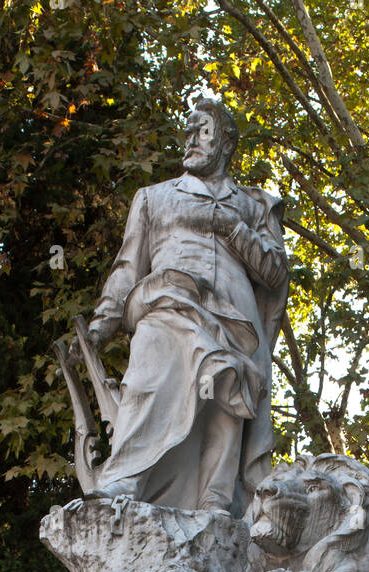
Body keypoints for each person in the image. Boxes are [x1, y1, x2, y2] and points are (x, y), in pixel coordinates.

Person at [80, 97, 289, 516]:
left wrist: (233, 227)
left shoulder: (253, 205)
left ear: (227, 143)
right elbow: (127, 266)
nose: (191, 138)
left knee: (227, 392)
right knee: (152, 370)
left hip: (237, 315)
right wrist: (103, 322)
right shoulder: (153, 198)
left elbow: (275, 274)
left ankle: (215, 502)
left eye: (203, 130)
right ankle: (127, 474)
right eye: (188, 129)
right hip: (167, 299)